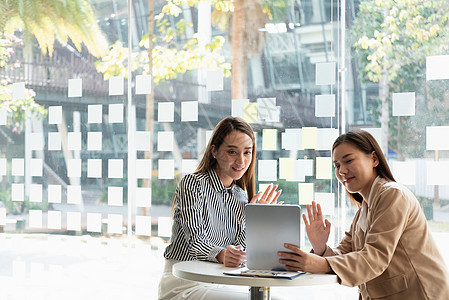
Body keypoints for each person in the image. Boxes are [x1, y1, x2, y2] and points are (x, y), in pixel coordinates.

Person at [278, 130, 449, 299]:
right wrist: (320, 247)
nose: (342, 171)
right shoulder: (364, 208)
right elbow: (345, 253)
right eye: (337, 165)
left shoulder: (393, 195)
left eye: (349, 160)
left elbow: (376, 257)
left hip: (421, 294)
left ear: (374, 159)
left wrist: (319, 263)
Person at [159, 116, 282, 300]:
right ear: (214, 151)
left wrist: (254, 217)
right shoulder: (193, 184)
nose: (241, 161)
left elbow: (241, 252)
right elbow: (195, 241)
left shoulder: (241, 196)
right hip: (184, 283)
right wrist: (222, 254)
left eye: (247, 152)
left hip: (221, 281)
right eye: (232, 152)